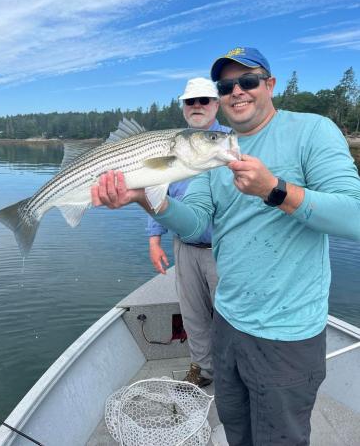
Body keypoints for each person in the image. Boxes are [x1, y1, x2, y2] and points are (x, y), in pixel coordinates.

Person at [91, 46, 360, 446]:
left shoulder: (311, 131)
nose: (237, 91)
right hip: (229, 324)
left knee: (280, 437)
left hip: (286, 333)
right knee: (236, 428)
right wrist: (147, 200)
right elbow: (196, 220)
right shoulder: (216, 151)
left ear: (269, 85)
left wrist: (274, 189)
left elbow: (353, 216)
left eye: (248, 81)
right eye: (227, 85)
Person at [147, 77, 231, 387]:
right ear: (183, 108)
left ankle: (234, 373)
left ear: (216, 104)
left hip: (225, 248)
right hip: (184, 246)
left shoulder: (229, 141)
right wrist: (154, 240)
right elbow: (158, 192)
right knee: (193, 315)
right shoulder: (169, 143)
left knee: (230, 317)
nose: (197, 106)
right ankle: (204, 369)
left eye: (204, 100)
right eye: (190, 101)